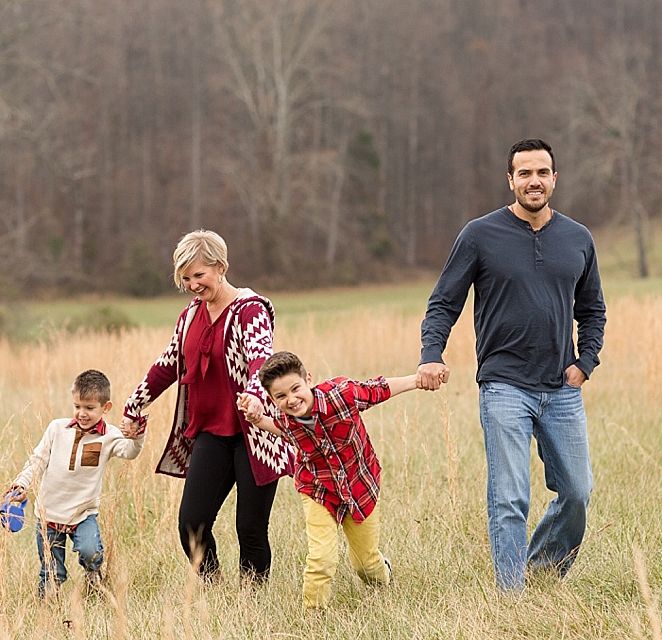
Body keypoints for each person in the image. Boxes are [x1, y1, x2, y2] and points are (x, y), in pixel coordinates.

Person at [416, 138, 606, 592]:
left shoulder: (578, 238)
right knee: (510, 497)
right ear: (511, 180)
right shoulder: (480, 234)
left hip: (562, 386)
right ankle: (511, 595)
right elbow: (444, 302)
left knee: (578, 492)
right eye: (524, 173)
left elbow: (593, 309)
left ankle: (540, 566)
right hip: (504, 385)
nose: (533, 181)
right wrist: (431, 353)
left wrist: (586, 361)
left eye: (542, 173)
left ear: (554, 179)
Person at [120, 230, 295, 585]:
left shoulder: (250, 310)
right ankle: (212, 587)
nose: (192, 285)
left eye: (198, 275)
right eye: (185, 278)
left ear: (221, 267)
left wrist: (254, 397)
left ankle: (251, 602)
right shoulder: (189, 316)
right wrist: (133, 405)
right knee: (192, 522)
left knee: (250, 527)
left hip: (254, 432)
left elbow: (261, 362)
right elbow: (168, 365)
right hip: (211, 432)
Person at [237, 350, 432, 609]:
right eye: (281, 396)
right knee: (321, 557)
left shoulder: (341, 394)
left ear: (308, 379)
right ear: (273, 399)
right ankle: (313, 615)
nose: (292, 400)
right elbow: (283, 429)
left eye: (296, 389)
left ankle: (385, 581)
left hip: (359, 485)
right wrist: (259, 419)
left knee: (366, 563)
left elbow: (379, 389)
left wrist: (417, 380)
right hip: (317, 489)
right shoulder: (287, 418)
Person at [5, 369, 144, 599]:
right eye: (77, 406)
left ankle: (93, 576)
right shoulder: (57, 429)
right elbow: (37, 460)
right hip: (49, 514)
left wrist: (137, 436)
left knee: (90, 551)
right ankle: (48, 603)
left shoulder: (109, 436)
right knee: (51, 570)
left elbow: (129, 452)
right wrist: (21, 484)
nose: (82, 413)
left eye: (90, 408)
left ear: (105, 408)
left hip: (83, 514)